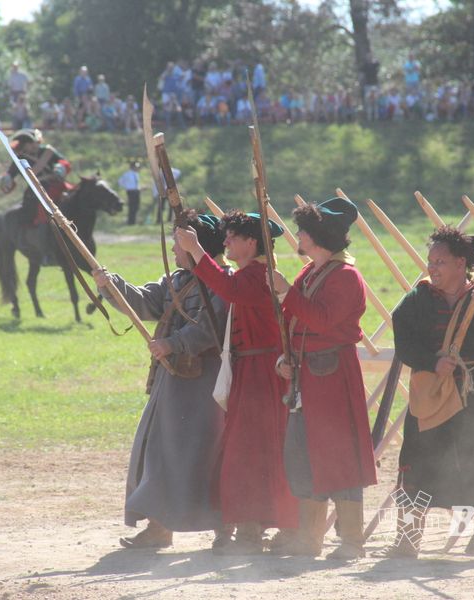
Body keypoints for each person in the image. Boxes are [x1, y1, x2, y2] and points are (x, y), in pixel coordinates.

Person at [375, 226, 474, 561]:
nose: (433, 267)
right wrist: (432, 361)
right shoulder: (418, 299)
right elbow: (404, 343)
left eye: (440, 261)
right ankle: (407, 541)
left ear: (461, 263)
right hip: (434, 390)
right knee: (418, 462)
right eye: (431, 261)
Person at [91, 211, 230, 550]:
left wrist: (173, 343)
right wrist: (111, 285)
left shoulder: (223, 280)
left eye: (179, 243)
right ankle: (158, 528)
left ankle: (225, 528)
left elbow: (211, 328)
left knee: (206, 453)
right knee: (159, 451)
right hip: (173, 379)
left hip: (205, 381)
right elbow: (143, 302)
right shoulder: (178, 281)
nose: (173, 249)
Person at [176, 211, 298, 555]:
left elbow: (229, 289)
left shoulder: (259, 275)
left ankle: (261, 524)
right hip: (248, 370)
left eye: (232, 237)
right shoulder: (249, 273)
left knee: (257, 451)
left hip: (264, 373)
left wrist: (197, 250)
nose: (226, 242)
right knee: (244, 450)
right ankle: (248, 523)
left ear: (251, 243)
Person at [269, 197, 377, 560]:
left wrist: (285, 291)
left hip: (332, 374)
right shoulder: (309, 273)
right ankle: (309, 539)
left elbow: (321, 319)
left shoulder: (346, 277)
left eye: (303, 230)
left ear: (317, 237)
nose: (297, 234)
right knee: (303, 454)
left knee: (340, 457)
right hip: (305, 375)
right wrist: (286, 357)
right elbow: (295, 324)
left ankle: (351, 543)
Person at [0, 128, 71, 228]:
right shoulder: (19, 159)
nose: (35, 145)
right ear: (24, 144)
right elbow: (10, 175)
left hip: (58, 184)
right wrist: (6, 180)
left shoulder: (47, 151)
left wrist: (60, 168)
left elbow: (63, 162)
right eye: (31, 143)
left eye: (35, 142)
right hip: (38, 190)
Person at [118, 160, 142, 226]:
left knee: (136, 206)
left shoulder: (136, 174)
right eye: (136, 167)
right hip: (131, 191)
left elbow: (136, 184)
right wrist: (126, 187)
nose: (137, 168)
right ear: (132, 167)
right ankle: (130, 222)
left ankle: (133, 221)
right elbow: (120, 181)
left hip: (136, 191)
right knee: (132, 207)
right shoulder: (127, 174)